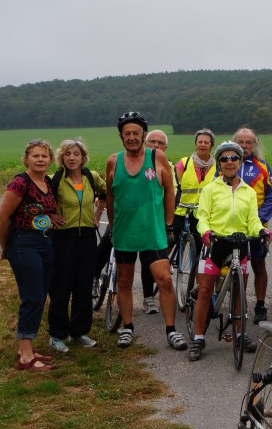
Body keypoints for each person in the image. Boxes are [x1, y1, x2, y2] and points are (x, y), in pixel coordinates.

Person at [105, 112, 186, 351]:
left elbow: (170, 192)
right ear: (121, 136)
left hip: (153, 232)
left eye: (136, 133)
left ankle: (171, 330)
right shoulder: (113, 161)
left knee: (165, 280)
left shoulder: (156, 157)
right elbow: (110, 197)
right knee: (124, 281)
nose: (131, 137)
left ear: (143, 135)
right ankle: (127, 327)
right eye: (127, 133)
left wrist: (169, 224)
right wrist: (112, 225)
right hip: (124, 232)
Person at [188, 142, 271, 361]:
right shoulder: (211, 189)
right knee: (205, 292)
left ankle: (240, 335)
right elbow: (202, 217)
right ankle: (198, 338)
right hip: (215, 244)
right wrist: (206, 233)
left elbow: (252, 220)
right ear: (219, 163)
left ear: (240, 162)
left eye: (234, 158)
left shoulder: (248, 191)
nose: (229, 162)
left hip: (239, 245)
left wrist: (261, 230)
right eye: (224, 159)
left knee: (239, 294)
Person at [0, 139, 60, 371]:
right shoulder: (20, 182)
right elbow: (1, 218)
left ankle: (27, 347)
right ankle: (25, 357)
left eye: (44, 156)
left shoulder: (48, 182)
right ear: (26, 159)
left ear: (50, 160)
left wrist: (51, 218)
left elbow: (46, 210)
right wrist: (6, 247)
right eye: (35, 156)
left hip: (45, 241)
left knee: (40, 295)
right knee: (31, 297)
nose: (40, 159)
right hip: (24, 243)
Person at [47, 138, 107, 353]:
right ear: (61, 158)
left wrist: (98, 213)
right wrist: (51, 214)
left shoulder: (91, 177)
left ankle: (79, 331)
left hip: (88, 238)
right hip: (63, 238)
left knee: (83, 285)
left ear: (83, 157)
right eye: (67, 154)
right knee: (61, 287)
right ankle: (57, 335)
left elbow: (106, 192)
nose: (72, 158)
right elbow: (42, 201)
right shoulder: (55, 180)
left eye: (76, 154)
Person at [233, 127, 272, 323]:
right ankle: (238, 306)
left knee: (259, 265)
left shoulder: (263, 167)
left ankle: (260, 305)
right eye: (240, 142)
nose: (244, 146)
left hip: (257, 227)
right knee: (237, 268)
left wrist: (256, 219)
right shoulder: (226, 163)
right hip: (233, 226)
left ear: (255, 144)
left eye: (248, 142)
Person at [139, 129, 176, 314]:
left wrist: (169, 223)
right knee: (106, 241)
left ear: (166, 147)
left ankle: (154, 298)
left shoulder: (170, 166)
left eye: (160, 143)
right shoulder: (136, 163)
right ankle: (97, 277)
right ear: (145, 143)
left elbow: (173, 193)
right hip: (137, 219)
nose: (156, 145)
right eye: (152, 141)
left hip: (159, 220)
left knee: (154, 260)